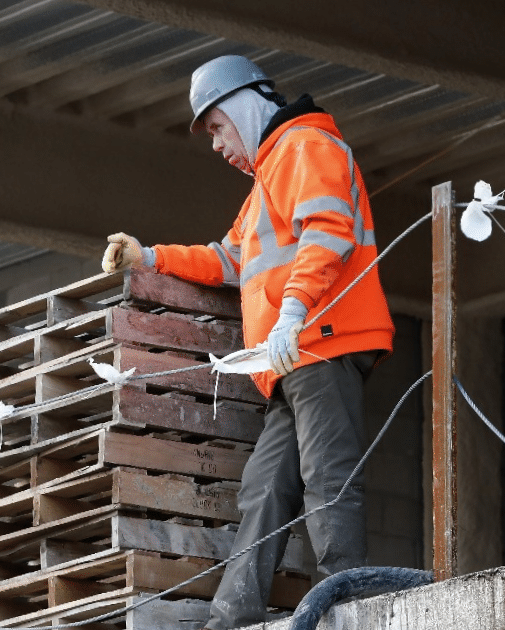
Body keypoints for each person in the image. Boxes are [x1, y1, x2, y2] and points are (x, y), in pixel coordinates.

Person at [102, 55, 394, 630]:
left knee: (326, 475)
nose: (217, 145)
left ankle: (348, 604)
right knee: (264, 487)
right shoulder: (269, 178)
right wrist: (150, 257)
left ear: (243, 107)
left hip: (320, 343)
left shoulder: (304, 146)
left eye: (217, 127)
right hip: (292, 357)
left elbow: (328, 231)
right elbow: (227, 259)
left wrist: (293, 312)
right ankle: (232, 617)